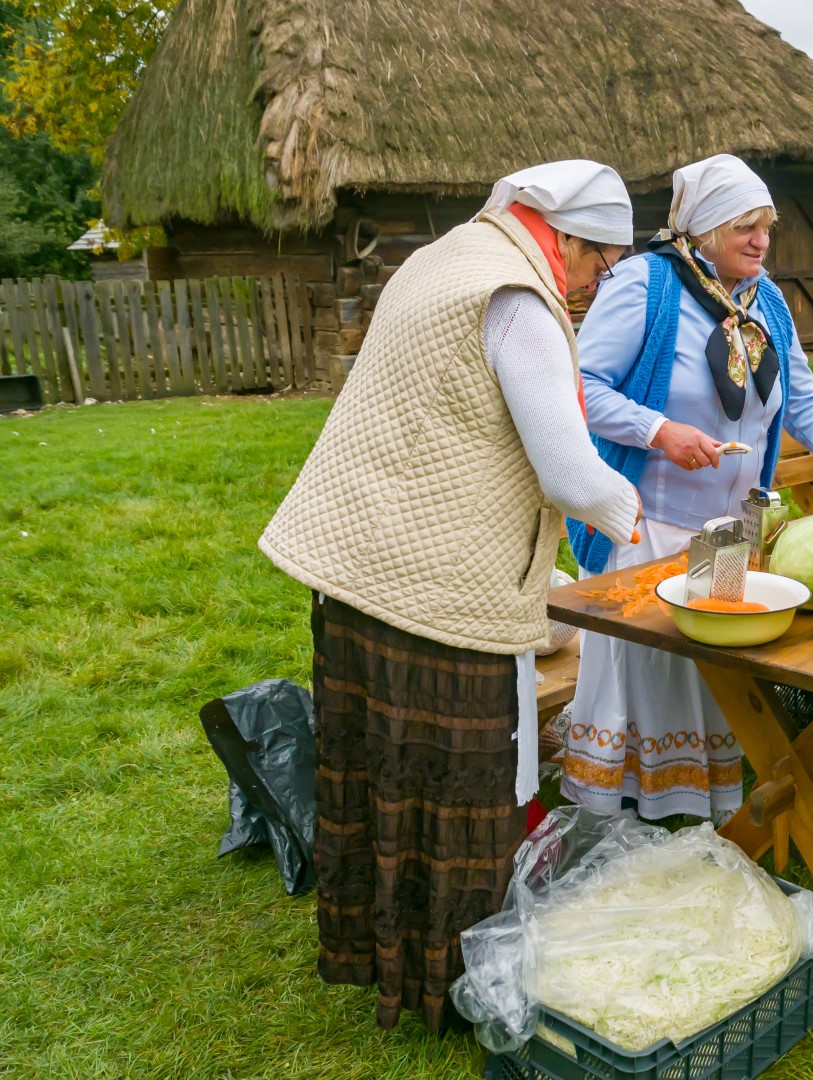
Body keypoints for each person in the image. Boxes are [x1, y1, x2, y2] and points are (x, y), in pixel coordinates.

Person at [257, 160, 643, 1033]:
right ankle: (453, 987)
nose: (595, 282)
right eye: (600, 261)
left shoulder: (442, 258)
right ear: (567, 236)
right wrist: (629, 514)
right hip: (435, 591)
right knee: (461, 790)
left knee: (381, 768)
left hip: (360, 570)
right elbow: (569, 470)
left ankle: (378, 956)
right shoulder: (518, 300)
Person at [562, 153, 813, 824]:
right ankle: (622, 812)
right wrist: (659, 431)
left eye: (766, 225)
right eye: (745, 225)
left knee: (711, 672)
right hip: (649, 522)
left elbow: (802, 399)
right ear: (705, 229)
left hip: (729, 526)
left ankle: (692, 803)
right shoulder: (645, 286)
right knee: (649, 672)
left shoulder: (765, 299)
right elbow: (579, 388)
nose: (761, 240)